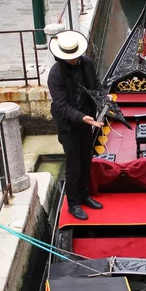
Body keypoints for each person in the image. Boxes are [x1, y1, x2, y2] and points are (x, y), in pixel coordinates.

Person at [47, 30, 104, 221]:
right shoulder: (55, 75)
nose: (73, 60)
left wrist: (104, 100)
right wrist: (83, 117)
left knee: (86, 161)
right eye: (69, 57)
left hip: (87, 122)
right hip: (69, 126)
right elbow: (61, 106)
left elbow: (96, 86)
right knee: (74, 166)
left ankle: (84, 194)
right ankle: (72, 204)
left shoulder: (87, 63)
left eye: (75, 56)